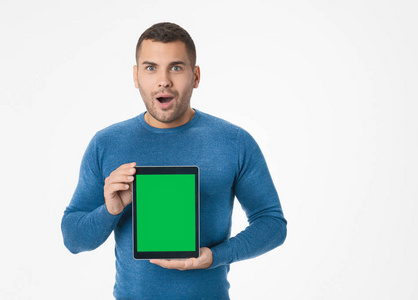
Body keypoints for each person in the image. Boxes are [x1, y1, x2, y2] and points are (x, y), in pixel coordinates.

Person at [61, 22, 287, 299]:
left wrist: (214, 256)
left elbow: (273, 224)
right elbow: (73, 240)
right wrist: (109, 210)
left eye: (176, 67)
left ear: (196, 75)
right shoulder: (106, 143)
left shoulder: (234, 141)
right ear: (136, 76)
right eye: (151, 67)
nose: (163, 80)